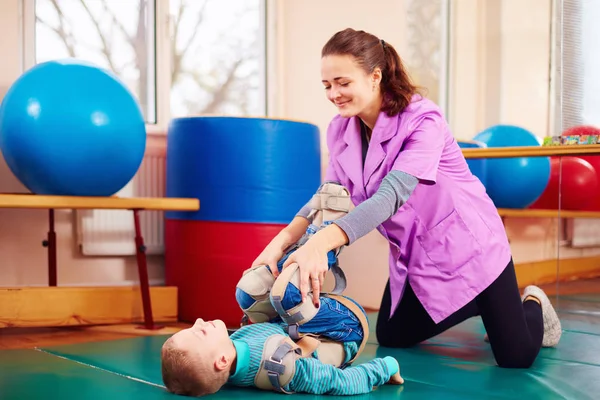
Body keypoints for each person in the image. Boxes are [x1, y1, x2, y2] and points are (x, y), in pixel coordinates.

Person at [250, 27, 562, 370]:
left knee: (515, 356)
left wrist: (320, 243)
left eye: (342, 82)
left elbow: (390, 197)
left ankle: (530, 302)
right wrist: (283, 241)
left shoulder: (423, 120)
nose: (334, 94)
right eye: (327, 85)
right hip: (418, 253)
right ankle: (480, 303)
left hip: (471, 247)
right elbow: (327, 196)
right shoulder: (340, 130)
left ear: (374, 77)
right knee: (392, 335)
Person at [160, 295, 404, 397]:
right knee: (284, 293)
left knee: (248, 293)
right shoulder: (284, 368)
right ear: (221, 360)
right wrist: (384, 367)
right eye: (200, 331)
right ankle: (323, 231)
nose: (200, 321)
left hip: (303, 327)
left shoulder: (228, 359)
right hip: (346, 331)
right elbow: (340, 382)